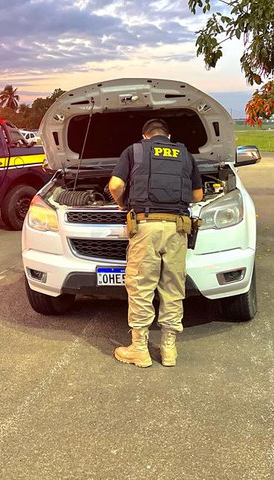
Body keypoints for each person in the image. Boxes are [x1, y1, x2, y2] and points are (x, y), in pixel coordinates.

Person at [107, 119, 204, 368]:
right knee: (172, 288)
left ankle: (139, 349)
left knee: (141, 286)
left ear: (145, 136)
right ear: (168, 137)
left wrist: (122, 204)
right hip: (177, 228)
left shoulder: (135, 150)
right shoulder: (184, 154)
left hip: (146, 226)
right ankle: (169, 349)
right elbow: (197, 195)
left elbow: (116, 184)